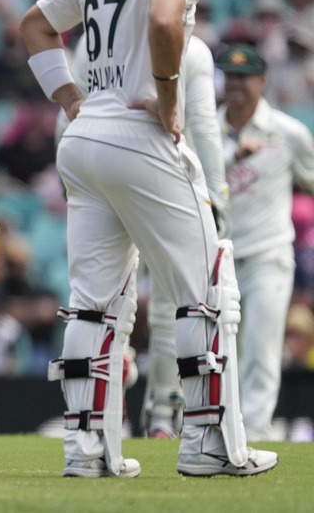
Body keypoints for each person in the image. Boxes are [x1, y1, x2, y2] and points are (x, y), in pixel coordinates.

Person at [18, 0, 277, 478]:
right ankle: (209, 446)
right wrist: (168, 98)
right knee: (209, 287)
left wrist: (71, 99)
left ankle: (85, 452)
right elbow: (165, 18)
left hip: (83, 141)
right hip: (138, 135)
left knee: (92, 304)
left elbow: (33, 25)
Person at [58, 34, 231, 439]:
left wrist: (73, 186)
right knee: (184, 294)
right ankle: (178, 423)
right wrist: (217, 200)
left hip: (86, 160)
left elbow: (37, 31)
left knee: (95, 300)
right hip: (156, 171)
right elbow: (203, 127)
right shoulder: (189, 44)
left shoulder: (93, 40)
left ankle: (87, 435)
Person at [216, 43, 314, 441]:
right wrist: (231, 157)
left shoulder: (288, 133)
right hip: (219, 258)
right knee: (225, 355)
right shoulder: (205, 129)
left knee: (260, 348)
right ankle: (226, 434)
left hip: (269, 255)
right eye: (231, 76)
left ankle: (254, 435)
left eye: (244, 77)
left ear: (262, 80)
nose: (236, 84)